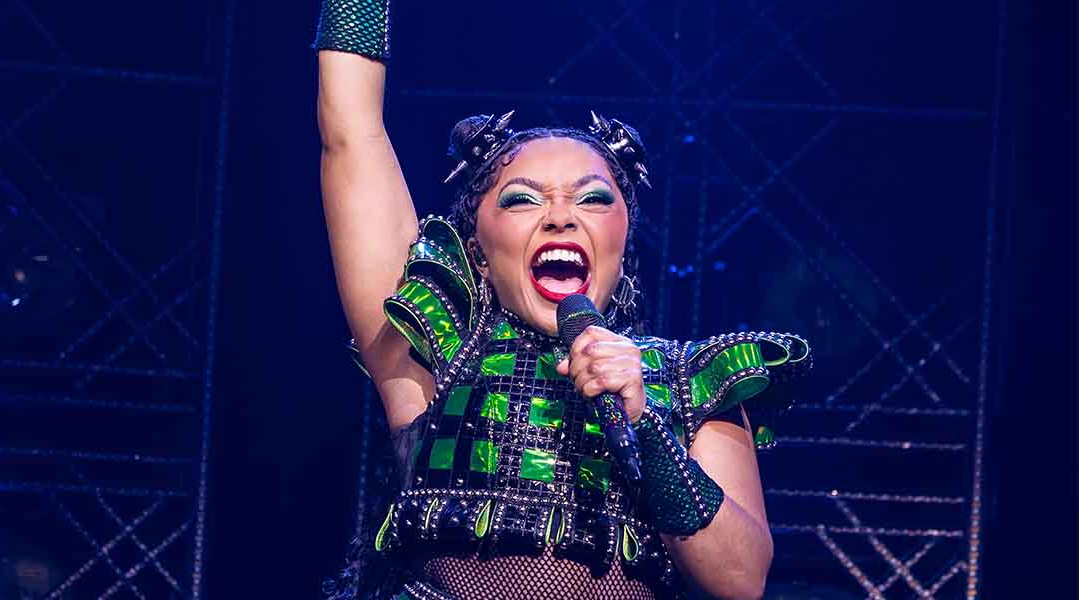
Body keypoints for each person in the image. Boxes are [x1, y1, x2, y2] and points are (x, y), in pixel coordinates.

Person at [314, 2, 811, 598]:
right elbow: (352, 134)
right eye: (522, 199)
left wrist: (643, 426)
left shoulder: (692, 381)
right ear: (477, 251)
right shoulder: (433, 345)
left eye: (593, 199)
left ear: (623, 244)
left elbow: (741, 579)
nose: (559, 218)